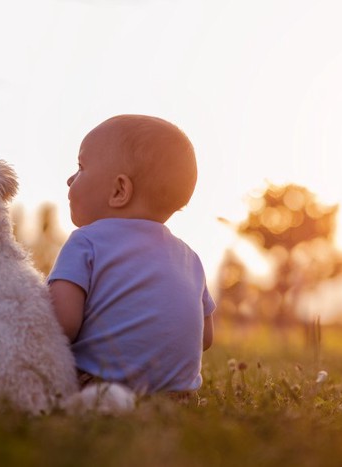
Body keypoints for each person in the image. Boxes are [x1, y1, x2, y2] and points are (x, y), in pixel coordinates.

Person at [48, 114, 216, 395]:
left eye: (80, 167)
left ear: (119, 190)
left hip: (98, 387)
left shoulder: (86, 242)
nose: (69, 180)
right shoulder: (190, 258)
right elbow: (206, 337)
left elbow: (61, 324)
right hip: (176, 396)